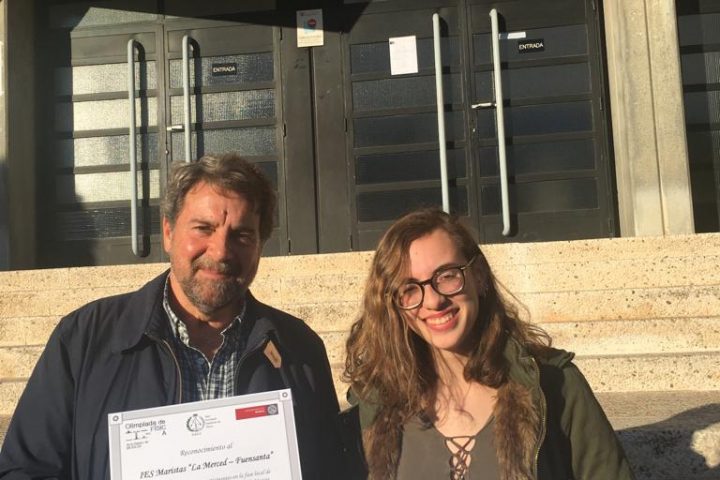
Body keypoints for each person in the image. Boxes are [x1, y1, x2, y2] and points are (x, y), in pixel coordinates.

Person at [0, 153, 341, 479]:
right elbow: (24, 470)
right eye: (203, 228)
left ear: (260, 246)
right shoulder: (84, 339)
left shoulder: (300, 349)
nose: (221, 251)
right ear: (168, 232)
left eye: (241, 235)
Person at [343, 208, 635, 480]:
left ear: (478, 275)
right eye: (409, 289)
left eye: (447, 276)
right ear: (393, 305)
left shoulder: (554, 385)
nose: (433, 301)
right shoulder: (374, 403)